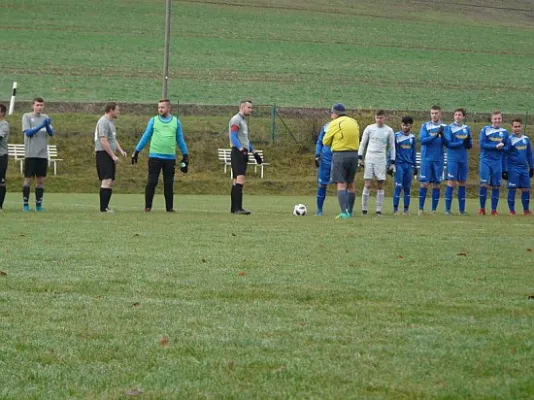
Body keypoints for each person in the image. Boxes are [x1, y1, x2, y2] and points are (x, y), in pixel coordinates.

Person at [132, 99, 189, 212]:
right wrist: (136, 151)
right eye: (159, 107)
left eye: (162, 107)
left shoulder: (175, 122)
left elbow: (180, 139)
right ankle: (148, 206)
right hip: (155, 157)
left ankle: (169, 208)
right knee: (152, 182)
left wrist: (185, 154)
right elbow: (146, 136)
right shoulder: (153, 121)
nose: (160, 109)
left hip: (169, 158)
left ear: (169, 108)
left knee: (168, 183)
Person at [322, 103, 360, 219]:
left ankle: (344, 212)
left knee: (341, 184)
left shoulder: (334, 123)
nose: (331, 116)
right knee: (351, 184)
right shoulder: (354, 121)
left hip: (340, 155)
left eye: (332, 113)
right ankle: (350, 211)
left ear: (335, 113)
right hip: (354, 155)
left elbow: (325, 141)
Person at [358, 109, 395, 216]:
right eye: (377, 118)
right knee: (368, 184)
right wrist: (360, 156)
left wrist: (392, 162)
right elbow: (363, 143)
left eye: (381, 118)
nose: (379, 120)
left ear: (385, 118)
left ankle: (378, 210)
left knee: (380, 184)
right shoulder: (369, 128)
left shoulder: (389, 130)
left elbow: (392, 147)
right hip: (369, 157)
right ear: (375, 118)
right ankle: (364, 209)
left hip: (381, 158)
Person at [228, 100, 262, 215]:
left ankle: (234, 208)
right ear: (242, 107)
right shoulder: (236, 119)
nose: (251, 110)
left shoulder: (243, 121)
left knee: (235, 180)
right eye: (249, 107)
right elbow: (233, 136)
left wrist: (254, 152)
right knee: (240, 179)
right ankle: (238, 208)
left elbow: (245, 140)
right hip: (237, 153)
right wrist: (241, 150)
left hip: (240, 152)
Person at [21, 97, 54, 212]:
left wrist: (48, 126)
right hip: (31, 154)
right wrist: (41, 126)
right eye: (37, 105)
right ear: (33, 106)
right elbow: (28, 133)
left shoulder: (46, 117)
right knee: (28, 179)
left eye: (41, 105)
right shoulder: (27, 116)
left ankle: (38, 205)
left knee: (40, 180)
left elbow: (51, 133)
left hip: (42, 154)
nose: (40, 107)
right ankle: (25, 204)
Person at [94, 102, 127, 212]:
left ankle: (106, 206)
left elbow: (113, 139)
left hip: (109, 154)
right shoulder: (103, 121)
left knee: (111, 181)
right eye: (117, 110)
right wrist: (113, 156)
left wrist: (120, 150)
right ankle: (103, 208)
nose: (119, 112)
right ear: (111, 110)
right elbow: (103, 140)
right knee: (106, 180)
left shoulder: (111, 123)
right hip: (103, 154)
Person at [442, 108, 472, 215]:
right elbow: (449, 144)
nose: (458, 117)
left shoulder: (467, 128)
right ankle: (447, 210)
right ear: (453, 116)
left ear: (463, 117)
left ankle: (462, 210)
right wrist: (461, 143)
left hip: (463, 159)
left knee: (463, 182)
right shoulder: (449, 128)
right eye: (456, 115)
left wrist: (468, 143)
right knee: (451, 182)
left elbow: (469, 145)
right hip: (452, 159)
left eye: (460, 115)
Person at [479, 110, 509, 216]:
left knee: (496, 186)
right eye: (495, 118)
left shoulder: (505, 132)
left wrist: (502, 148)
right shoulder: (485, 130)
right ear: (491, 119)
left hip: (498, 162)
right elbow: (482, 144)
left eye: (499, 118)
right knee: (484, 184)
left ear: (501, 119)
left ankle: (493, 210)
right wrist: (495, 146)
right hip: (485, 161)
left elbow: (508, 148)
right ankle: (482, 209)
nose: (497, 120)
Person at [418, 105, 446, 216]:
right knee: (424, 184)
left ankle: (434, 210)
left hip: (438, 159)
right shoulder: (425, 126)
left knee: (436, 185)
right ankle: (421, 209)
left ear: (440, 114)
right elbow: (423, 140)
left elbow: (447, 142)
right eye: (432, 113)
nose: (434, 115)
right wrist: (435, 135)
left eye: (436, 113)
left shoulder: (445, 127)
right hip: (426, 159)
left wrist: (443, 135)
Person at [503, 118, 533, 216]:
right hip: (513, 169)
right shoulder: (509, 140)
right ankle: (512, 211)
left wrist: (532, 167)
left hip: (524, 169)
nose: (517, 128)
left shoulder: (526, 139)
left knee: (526, 189)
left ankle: (526, 210)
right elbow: (505, 155)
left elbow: (529, 154)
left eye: (519, 126)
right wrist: (505, 170)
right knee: (512, 189)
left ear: (521, 127)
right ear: (512, 128)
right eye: (515, 126)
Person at [392, 116, 417, 215]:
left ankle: (406, 210)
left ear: (410, 125)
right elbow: (392, 150)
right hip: (399, 165)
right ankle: (395, 209)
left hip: (409, 166)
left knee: (407, 188)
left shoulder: (412, 138)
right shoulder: (396, 136)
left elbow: (413, 152)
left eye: (407, 125)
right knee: (398, 187)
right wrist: (391, 163)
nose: (405, 127)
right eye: (403, 125)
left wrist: (415, 166)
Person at [314, 121, 332, 216]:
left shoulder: (344, 125)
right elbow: (319, 142)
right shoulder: (326, 126)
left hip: (339, 159)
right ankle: (319, 210)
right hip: (325, 159)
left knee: (342, 184)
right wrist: (317, 155)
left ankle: (345, 210)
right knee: (322, 184)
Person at [0, 104, 9, 211]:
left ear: (2, 113)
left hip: (1, 156)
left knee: (1, 181)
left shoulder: (4, 125)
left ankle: (0, 205)